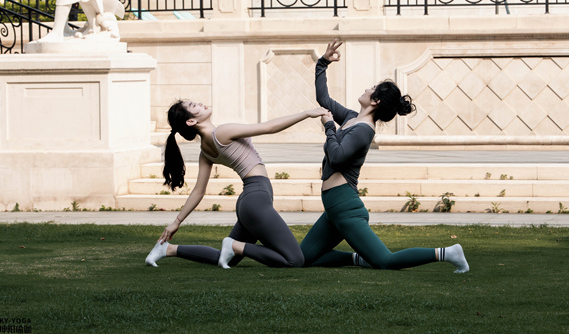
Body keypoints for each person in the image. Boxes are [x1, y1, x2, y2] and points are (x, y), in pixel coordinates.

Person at [299, 40, 469, 273]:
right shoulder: (351, 118)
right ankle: (359, 258)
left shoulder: (364, 130)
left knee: (385, 261)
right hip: (334, 208)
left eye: (371, 89)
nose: (367, 89)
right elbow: (324, 100)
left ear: (375, 101)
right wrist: (323, 63)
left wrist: (329, 126)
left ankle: (448, 253)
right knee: (304, 257)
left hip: (345, 207)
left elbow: (336, 157)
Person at [145, 100, 329, 268]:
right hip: (255, 199)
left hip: (250, 201)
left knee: (226, 259)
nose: (200, 103)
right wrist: (307, 113)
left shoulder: (205, 150)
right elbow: (269, 127)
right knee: (295, 260)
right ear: (191, 121)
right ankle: (234, 245)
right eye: (194, 106)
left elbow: (198, 191)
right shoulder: (221, 132)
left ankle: (168, 249)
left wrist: (176, 222)